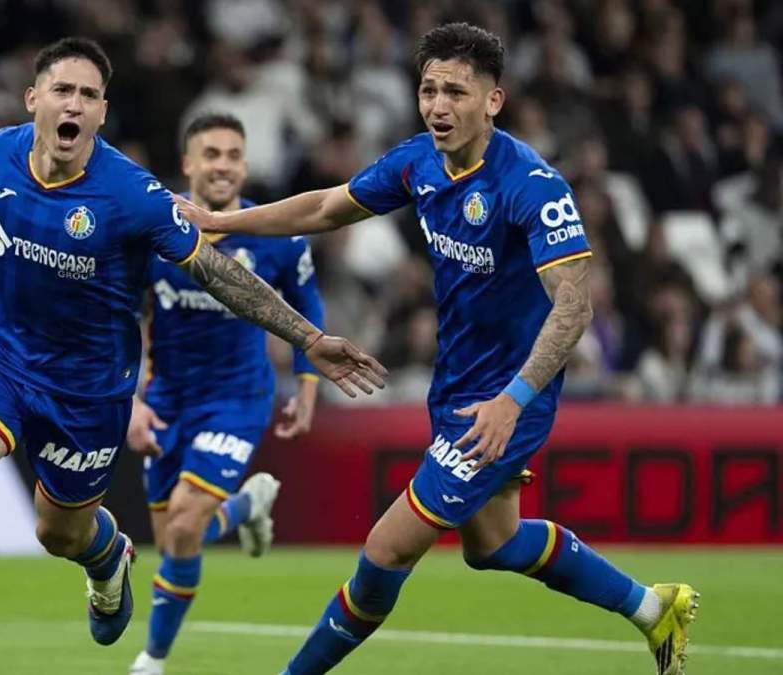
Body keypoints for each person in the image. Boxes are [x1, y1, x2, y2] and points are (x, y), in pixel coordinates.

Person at [0, 37, 385, 675]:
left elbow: (215, 270)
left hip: (88, 392)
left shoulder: (131, 195)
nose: (75, 104)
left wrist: (307, 340)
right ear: (35, 99)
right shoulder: (6, 151)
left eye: (89, 95)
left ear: (102, 113)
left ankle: (105, 556)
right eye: (63, 90)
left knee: (57, 533)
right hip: (0, 357)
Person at [175, 23, 697, 675]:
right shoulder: (417, 161)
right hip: (457, 388)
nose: (439, 106)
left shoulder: (532, 186)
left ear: (493, 101)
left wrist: (513, 399)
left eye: (456, 91)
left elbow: (575, 305)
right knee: (493, 541)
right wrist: (223, 220)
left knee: (386, 549)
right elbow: (326, 208)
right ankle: (654, 608)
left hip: (509, 398)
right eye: (428, 90)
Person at [127, 113, 325, 675]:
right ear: (187, 163)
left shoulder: (276, 236)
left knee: (187, 525)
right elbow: (125, 312)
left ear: (244, 164)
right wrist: (132, 398)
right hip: (166, 396)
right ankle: (246, 505)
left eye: (233, 155)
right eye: (210, 153)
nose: (222, 165)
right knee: (174, 545)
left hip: (238, 399)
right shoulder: (153, 228)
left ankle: (152, 660)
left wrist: (307, 385)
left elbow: (308, 309)